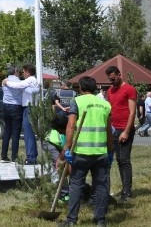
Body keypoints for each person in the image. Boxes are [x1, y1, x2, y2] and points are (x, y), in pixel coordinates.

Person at [60, 76, 113, 227]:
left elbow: (71, 126)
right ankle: (100, 220)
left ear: (81, 88)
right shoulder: (105, 104)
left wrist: (67, 147)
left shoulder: (77, 101)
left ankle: (71, 220)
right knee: (101, 186)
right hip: (100, 152)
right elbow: (108, 130)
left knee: (76, 185)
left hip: (81, 152)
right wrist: (110, 150)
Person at [105, 65, 136, 203]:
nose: (112, 81)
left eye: (113, 78)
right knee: (114, 160)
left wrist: (126, 131)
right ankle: (119, 191)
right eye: (110, 79)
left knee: (124, 160)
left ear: (119, 75)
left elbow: (132, 112)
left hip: (124, 129)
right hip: (113, 129)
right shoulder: (110, 91)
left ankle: (127, 192)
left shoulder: (129, 89)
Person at [4, 64, 41, 163]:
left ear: (28, 72)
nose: (22, 73)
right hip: (31, 108)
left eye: (24, 72)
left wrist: (7, 82)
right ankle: (32, 155)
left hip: (29, 108)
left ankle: (31, 158)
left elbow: (17, 85)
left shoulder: (30, 80)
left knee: (28, 133)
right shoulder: (34, 80)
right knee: (30, 133)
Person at [0, 66, 24, 163]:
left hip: (5, 106)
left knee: (7, 131)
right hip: (16, 106)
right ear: (16, 72)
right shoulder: (20, 82)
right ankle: (14, 157)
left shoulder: (4, 81)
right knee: (15, 133)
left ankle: (3, 156)